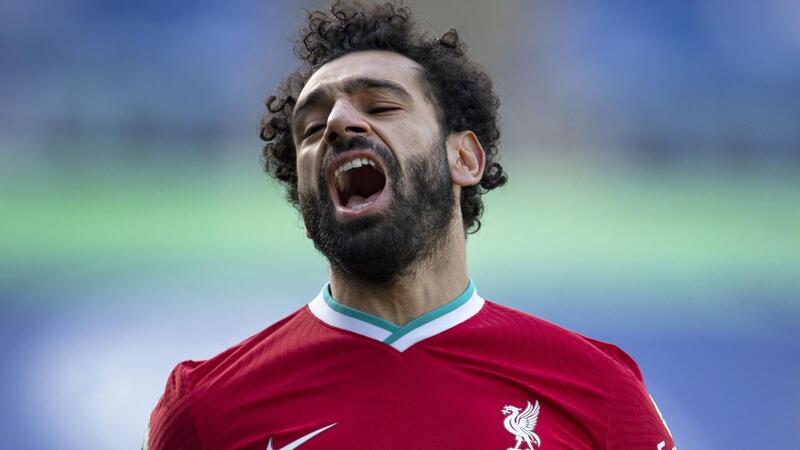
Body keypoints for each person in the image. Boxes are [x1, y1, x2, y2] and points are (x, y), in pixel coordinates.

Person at [146, 1, 676, 449]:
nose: (338, 124)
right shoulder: (205, 409)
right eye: (311, 127)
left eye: (380, 106)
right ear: (305, 204)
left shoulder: (600, 390)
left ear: (464, 159)